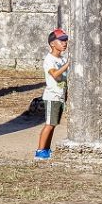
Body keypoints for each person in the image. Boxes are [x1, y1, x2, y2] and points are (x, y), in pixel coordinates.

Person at [35, 28, 70, 161]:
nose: (64, 43)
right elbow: (55, 74)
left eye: (65, 40)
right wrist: (68, 64)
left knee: (53, 124)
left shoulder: (62, 59)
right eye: (61, 40)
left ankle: (46, 149)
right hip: (52, 96)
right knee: (49, 124)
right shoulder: (49, 59)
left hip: (60, 96)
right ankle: (39, 151)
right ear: (52, 44)